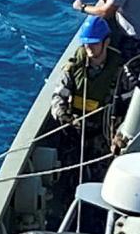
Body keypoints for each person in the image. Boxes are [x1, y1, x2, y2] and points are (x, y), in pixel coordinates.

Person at [51, 16, 124, 164]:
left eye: (94, 43)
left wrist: (120, 134)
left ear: (106, 42)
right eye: (86, 43)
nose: (89, 47)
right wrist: (62, 115)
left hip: (104, 137)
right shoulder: (74, 67)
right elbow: (59, 95)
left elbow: (130, 106)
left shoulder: (120, 72)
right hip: (74, 132)